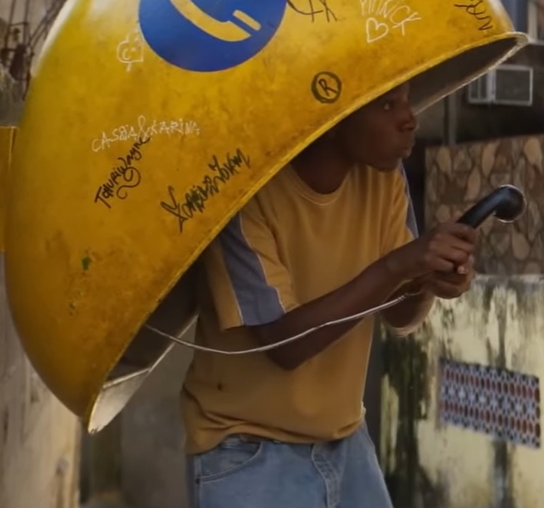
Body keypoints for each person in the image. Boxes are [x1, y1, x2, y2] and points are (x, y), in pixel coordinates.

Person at [181, 82, 477, 508]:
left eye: (409, 99)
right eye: (387, 104)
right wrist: (399, 266)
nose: (410, 119)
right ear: (332, 116)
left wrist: (429, 281)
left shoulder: (385, 180)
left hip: (345, 440)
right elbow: (285, 344)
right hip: (248, 448)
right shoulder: (244, 195)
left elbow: (399, 316)